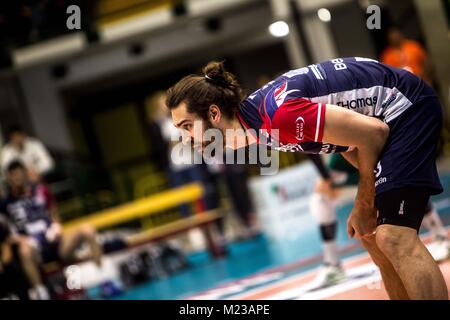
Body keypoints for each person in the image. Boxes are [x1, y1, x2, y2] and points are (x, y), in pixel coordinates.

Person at [165, 57, 447, 299]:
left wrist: (364, 201)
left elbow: (372, 133)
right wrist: (368, 200)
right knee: (372, 236)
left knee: (394, 237)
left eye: (187, 126)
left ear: (214, 113)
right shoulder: (258, 122)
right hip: (385, 117)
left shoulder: (276, 118)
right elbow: (348, 143)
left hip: (407, 107)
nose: (184, 137)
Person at [309, 153, 450, 288]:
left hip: (376, 147)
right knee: (320, 198)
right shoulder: (301, 138)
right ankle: (333, 265)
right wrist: (326, 177)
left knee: (401, 181)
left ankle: (441, 237)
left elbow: (373, 134)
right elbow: (309, 149)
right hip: (350, 152)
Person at [0, 160, 102, 299]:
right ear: (9, 177)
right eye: (13, 175)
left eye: (19, 173)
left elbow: (54, 212)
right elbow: (6, 234)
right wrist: (23, 240)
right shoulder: (5, 203)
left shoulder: (41, 190)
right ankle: (42, 294)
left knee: (87, 229)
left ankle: (101, 277)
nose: (17, 178)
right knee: (25, 251)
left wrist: (56, 227)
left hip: (55, 243)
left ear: (25, 173)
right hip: (34, 251)